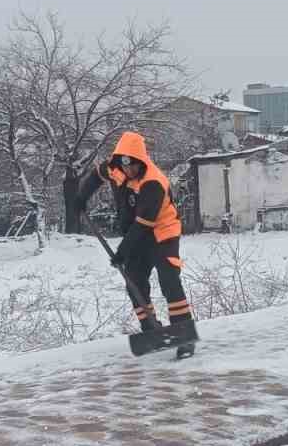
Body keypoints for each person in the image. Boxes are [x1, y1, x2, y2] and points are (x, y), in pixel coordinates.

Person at [73, 131, 197, 356]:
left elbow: (144, 224)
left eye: (134, 166)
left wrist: (121, 252)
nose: (129, 171)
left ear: (142, 161)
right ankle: (151, 329)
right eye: (125, 165)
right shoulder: (115, 166)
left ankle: (183, 335)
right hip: (135, 231)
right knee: (134, 281)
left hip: (161, 231)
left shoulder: (153, 182)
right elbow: (95, 177)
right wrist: (81, 198)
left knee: (169, 278)